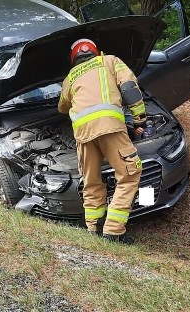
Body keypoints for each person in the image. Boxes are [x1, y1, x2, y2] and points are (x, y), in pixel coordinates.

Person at [57, 38, 147, 244]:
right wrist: (140, 119)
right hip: (110, 128)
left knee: (91, 180)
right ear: (96, 52)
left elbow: (62, 107)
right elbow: (130, 89)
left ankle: (93, 226)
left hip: (83, 134)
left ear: (74, 58)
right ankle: (114, 231)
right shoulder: (110, 61)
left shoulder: (70, 77)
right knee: (130, 174)